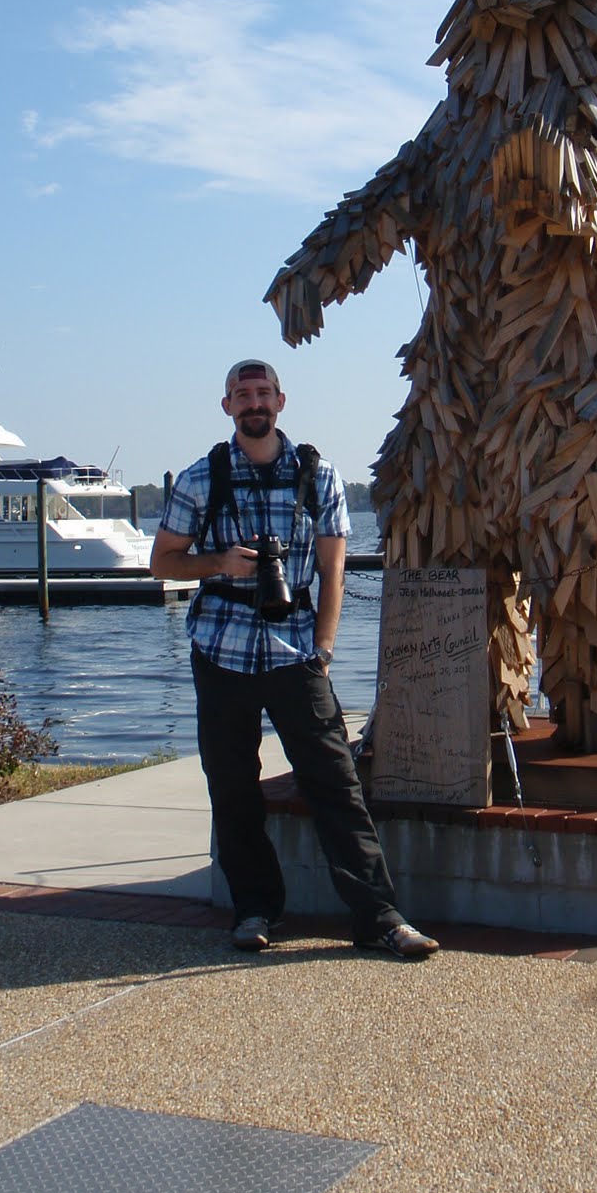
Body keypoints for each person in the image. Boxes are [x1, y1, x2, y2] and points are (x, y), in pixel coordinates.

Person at [149, 358, 439, 960]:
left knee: (335, 783)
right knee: (232, 787)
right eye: (241, 393)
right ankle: (255, 908)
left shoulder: (318, 475)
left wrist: (325, 651)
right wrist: (219, 564)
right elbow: (162, 562)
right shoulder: (201, 480)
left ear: (281, 400)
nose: (253, 402)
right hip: (221, 649)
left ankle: (380, 917)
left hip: (297, 652)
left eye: (262, 392)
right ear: (226, 405)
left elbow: (333, 569)